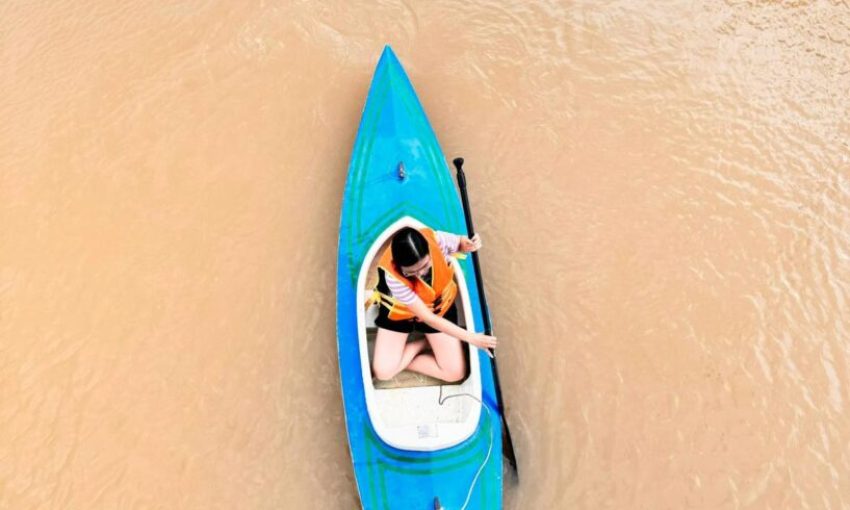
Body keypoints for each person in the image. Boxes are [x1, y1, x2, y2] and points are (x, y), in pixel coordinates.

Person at [370, 226, 497, 383]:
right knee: (383, 373)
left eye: (424, 266)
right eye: (411, 272)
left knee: (455, 373)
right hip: (404, 314)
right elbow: (428, 318)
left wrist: (471, 244)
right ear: (398, 266)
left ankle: (409, 354)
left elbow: (461, 244)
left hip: (439, 306)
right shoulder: (393, 279)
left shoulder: (438, 240)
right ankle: (422, 343)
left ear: (430, 251)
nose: (420, 274)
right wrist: (471, 338)